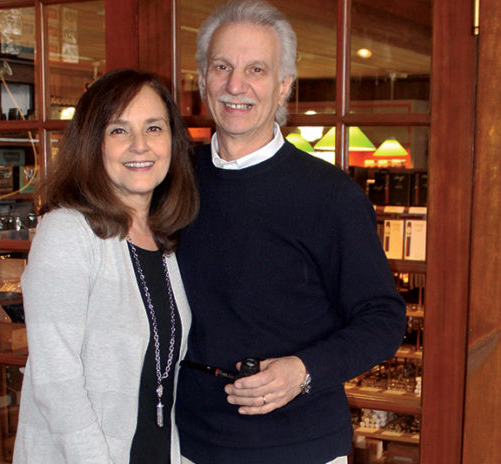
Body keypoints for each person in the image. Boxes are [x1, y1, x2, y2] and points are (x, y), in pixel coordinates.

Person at [175, 1, 407, 463]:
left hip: (300, 447)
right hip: (188, 444)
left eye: (256, 69)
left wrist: (303, 371)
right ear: (203, 80)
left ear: (283, 88)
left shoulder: (331, 197)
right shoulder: (174, 182)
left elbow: (383, 319)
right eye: (222, 67)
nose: (235, 85)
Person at [13, 69, 199, 464]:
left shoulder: (164, 240)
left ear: (172, 140)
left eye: (153, 128)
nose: (140, 146)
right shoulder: (67, 233)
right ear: (92, 142)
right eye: (118, 131)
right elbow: (56, 383)